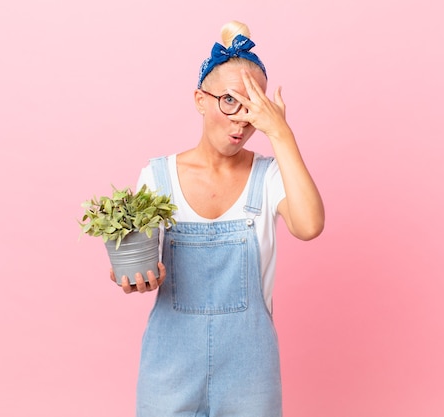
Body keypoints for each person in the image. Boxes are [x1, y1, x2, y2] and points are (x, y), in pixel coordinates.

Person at [110, 20, 325, 417]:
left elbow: (309, 226)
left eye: (254, 106)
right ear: (200, 99)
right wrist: (134, 276)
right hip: (169, 369)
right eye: (230, 101)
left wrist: (282, 134)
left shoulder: (270, 176)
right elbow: (139, 262)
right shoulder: (157, 177)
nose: (242, 119)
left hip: (250, 373)